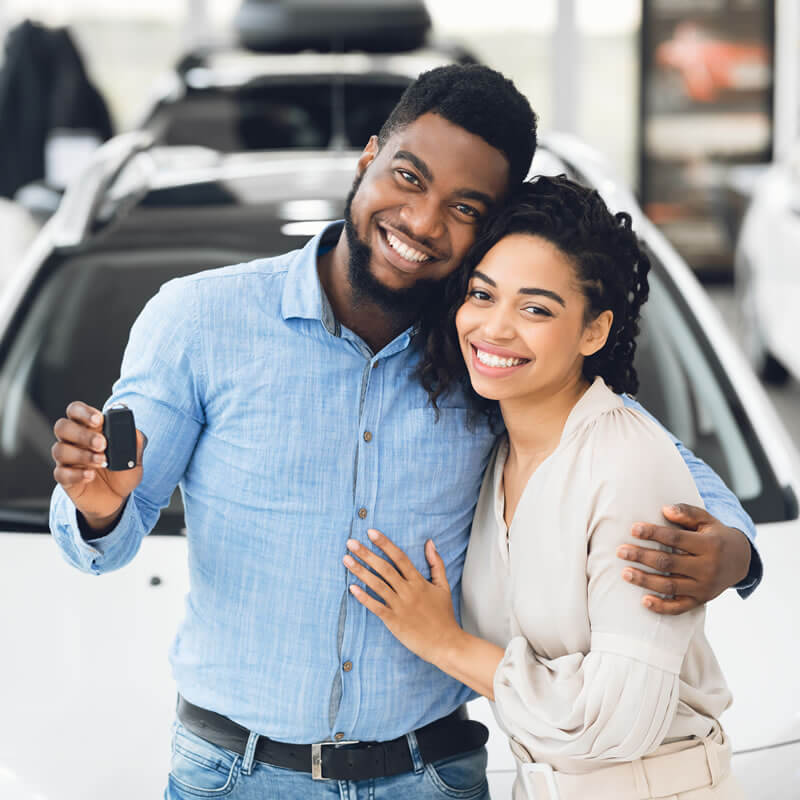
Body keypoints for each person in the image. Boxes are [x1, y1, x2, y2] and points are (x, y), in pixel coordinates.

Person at [49, 66, 759, 800]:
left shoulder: (491, 353)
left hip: (431, 775)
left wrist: (732, 549)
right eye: (408, 178)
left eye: (464, 208)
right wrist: (99, 506)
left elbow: (648, 457)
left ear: (489, 227)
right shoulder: (198, 321)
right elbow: (107, 536)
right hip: (236, 775)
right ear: (368, 159)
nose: (422, 222)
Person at [342, 175, 746, 799]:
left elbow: (610, 722)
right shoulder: (495, 450)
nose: (494, 328)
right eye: (482, 294)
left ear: (594, 331)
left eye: (535, 308)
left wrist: (442, 640)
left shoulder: (627, 464)